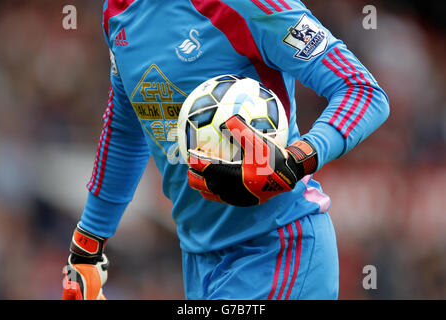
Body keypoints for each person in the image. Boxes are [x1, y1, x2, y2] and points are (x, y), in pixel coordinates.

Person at [62, 0, 389, 300]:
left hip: (278, 250)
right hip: (199, 260)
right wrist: (88, 245)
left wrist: (294, 161)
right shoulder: (117, 12)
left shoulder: (246, 5)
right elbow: (125, 125)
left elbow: (361, 90)